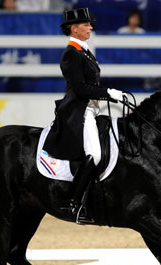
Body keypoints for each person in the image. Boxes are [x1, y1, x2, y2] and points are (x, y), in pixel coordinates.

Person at [43, 7, 124, 224]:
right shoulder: (71, 54)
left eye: (89, 24)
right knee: (95, 155)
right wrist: (108, 93)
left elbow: (91, 85)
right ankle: (73, 203)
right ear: (74, 28)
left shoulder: (84, 51)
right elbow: (80, 89)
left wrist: (110, 96)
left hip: (92, 108)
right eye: (86, 24)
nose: (90, 27)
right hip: (79, 111)